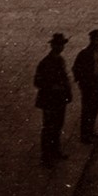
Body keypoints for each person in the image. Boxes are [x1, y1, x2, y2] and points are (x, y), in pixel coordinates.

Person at [34, 33, 72, 167]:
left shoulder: (60, 60)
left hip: (60, 100)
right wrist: (52, 86)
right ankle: (46, 157)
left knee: (58, 126)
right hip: (49, 100)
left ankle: (55, 151)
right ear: (53, 46)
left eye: (62, 45)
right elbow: (37, 81)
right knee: (48, 128)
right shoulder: (45, 63)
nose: (61, 47)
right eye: (58, 45)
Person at [72, 30, 98, 143]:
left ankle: (91, 130)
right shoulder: (85, 53)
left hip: (97, 83)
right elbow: (76, 69)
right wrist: (82, 83)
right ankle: (85, 135)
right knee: (87, 109)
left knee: (95, 107)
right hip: (88, 85)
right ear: (92, 40)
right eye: (96, 39)